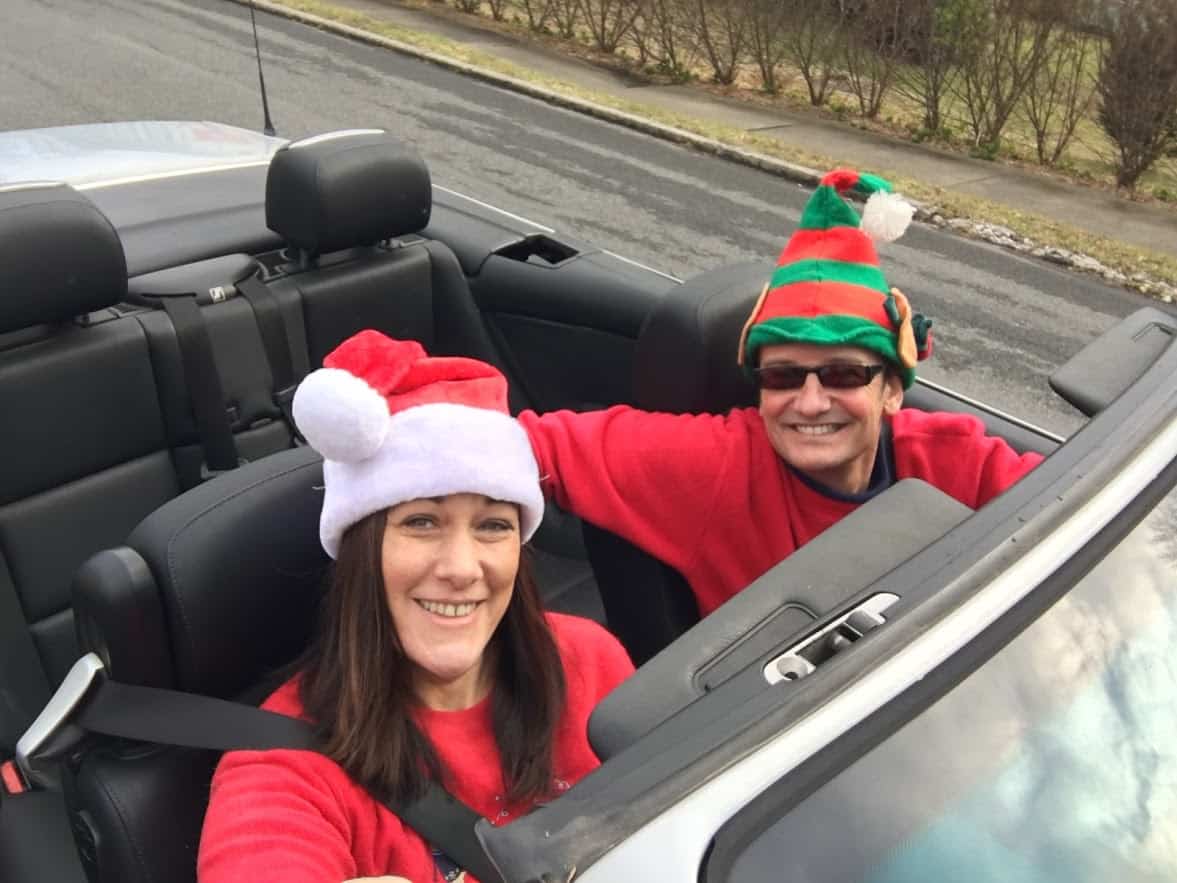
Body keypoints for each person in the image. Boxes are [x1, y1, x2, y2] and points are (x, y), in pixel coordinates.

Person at [198, 331, 634, 883]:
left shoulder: (586, 658)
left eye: (494, 525)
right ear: (361, 549)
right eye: (422, 522)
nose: (461, 567)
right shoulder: (280, 767)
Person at [518, 169, 1044, 618]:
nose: (810, 402)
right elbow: (529, 444)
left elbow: (1071, 508)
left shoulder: (951, 459)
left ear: (891, 391)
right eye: (782, 377)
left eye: (842, 376)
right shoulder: (720, 462)